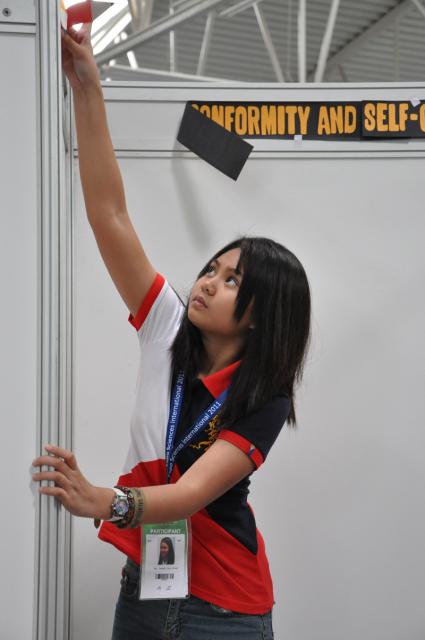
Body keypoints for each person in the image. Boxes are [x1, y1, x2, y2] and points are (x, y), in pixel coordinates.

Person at [32, 22, 311, 640]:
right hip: (144, 593)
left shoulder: (265, 397)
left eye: (233, 280)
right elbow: (109, 214)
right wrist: (87, 88)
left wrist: (101, 500)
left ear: (263, 314)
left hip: (225, 610)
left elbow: (189, 495)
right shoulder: (166, 325)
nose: (208, 282)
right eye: (212, 268)